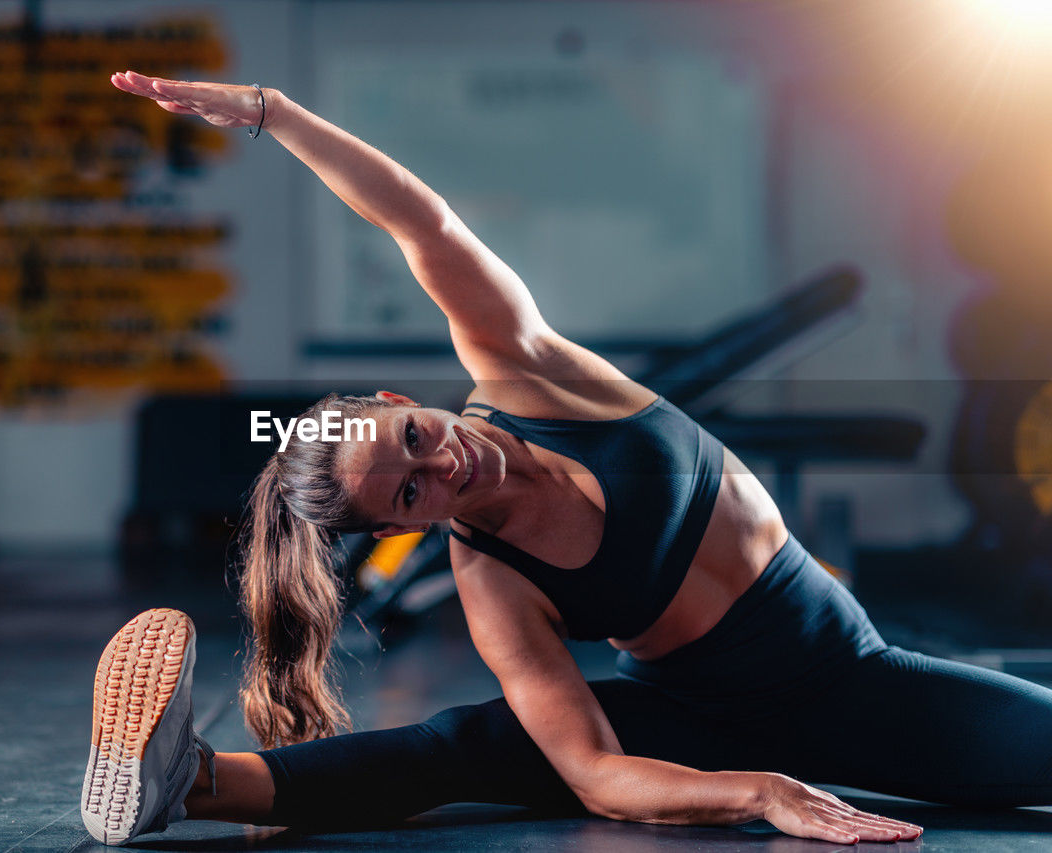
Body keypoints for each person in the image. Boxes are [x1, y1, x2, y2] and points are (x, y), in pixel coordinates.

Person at [79, 70, 1052, 847]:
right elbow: (593, 773)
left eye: (414, 439)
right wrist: (753, 793)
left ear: (394, 402)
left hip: (852, 685)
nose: (441, 469)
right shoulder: (493, 581)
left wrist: (273, 112)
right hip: (694, 721)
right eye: (410, 494)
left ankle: (188, 781)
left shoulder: (530, 373)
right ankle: (187, 782)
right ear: (398, 530)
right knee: (469, 747)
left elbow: (422, 224)